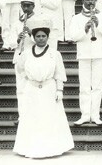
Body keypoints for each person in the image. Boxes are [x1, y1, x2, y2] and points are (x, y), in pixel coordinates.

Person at [13, 21, 74, 158]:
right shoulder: (27, 53)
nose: (41, 39)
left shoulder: (55, 54)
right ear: (34, 37)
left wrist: (59, 90)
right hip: (32, 89)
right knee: (32, 118)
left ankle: (51, 147)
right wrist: (27, 85)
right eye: (38, 36)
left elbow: (59, 73)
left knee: (48, 118)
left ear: (48, 37)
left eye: (43, 36)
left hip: (49, 89)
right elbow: (20, 69)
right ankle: (30, 147)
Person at [69, 0, 102, 126]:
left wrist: (98, 25)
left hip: (99, 54)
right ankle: (85, 115)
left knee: (98, 86)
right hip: (84, 55)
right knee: (84, 87)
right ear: (83, 1)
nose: (90, 2)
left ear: (96, 0)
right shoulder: (76, 18)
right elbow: (73, 37)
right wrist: (85, 29)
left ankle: (95, 115)